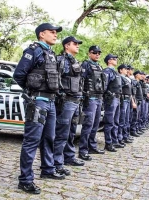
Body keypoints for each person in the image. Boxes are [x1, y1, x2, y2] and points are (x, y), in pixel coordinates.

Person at [13, 22, 64, 194]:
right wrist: (31, 92)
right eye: (52, 32)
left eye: (56, 32)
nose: (55, 35)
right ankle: (25, 180)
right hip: (38, 102)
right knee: (32, 140)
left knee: (49, 138)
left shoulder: (50, 53)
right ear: (42, 34)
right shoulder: (33, 51)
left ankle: (47, 169)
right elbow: (19, 75)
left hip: (50, 102)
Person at [54, 36, 85, 173]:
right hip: (66, 101)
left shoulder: (75, 61)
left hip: (76, 101)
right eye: (75, 43)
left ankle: (69, 156)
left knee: (71, 132)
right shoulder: (60, 60)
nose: (77, 45)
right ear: (67, 46)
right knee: (62, 133)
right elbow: (55, 81)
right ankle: (56, 162)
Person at [79, 45, 105, 161]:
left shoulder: (99, 66)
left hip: (99, 98)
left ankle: (92, 146)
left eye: (99, 53)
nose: (97, 54)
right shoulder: (86, 64)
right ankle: (83, 150)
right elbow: (81, 81)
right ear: (90, 53)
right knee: (88, 125)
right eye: (95, 52)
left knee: (95, 124)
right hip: (90, 99)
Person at [102, 54, 122, 152]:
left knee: (115, 121)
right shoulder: (107, 71)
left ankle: (114, 141)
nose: (116, 60)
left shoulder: (115, 72)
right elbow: (104, 86)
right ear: (109, 61)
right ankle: (108, 143)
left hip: (117, 98)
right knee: (109, 122)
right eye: (114, 59)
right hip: (111, 98)